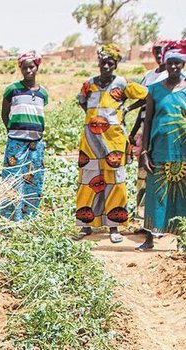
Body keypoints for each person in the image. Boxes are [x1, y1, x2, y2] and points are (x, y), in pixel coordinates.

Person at [74, 44, 148, 243]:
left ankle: (113, 228)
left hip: (114, 140)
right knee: (87, 182)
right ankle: (85, 226)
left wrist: (126, 109)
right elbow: (82, 100)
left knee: (115, 182)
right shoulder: (89, 84)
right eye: (103, 62)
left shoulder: (122, 83)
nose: (106, 66)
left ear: (115, 65)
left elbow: (146, 95)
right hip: (90, 142)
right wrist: (94, 120)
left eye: (110, 63)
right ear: (98, 62)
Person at [137, 40, 186, 251]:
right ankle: (149, 238)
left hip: (182, 152)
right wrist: (145, 152)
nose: (174, 66)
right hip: (158, 150)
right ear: (165, 64)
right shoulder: (154, 90)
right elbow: (147, 121)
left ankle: (182, 240)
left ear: (183, 64)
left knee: (182, 197)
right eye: (170, 62)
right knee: (155, 195)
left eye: (178, 63)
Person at [0, 51, 48, 220]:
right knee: (12, 178)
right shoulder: (12, 90)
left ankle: (30, 216)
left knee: (33, 178)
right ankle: (12, 217)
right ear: (20, 68)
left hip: (36, 143)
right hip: (16, 142)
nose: (29, 71)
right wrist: (13, 132)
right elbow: (4, 114)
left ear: (37, 68)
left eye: (32, 67)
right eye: (25, 67)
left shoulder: (43, 93)